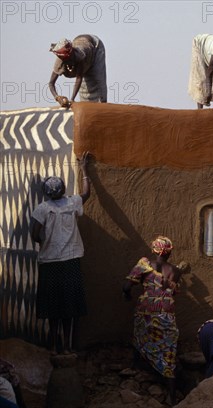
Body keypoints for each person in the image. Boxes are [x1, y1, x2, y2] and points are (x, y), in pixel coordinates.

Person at [30, 152, 92, 355]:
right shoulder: (72, 203)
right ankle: (67, 345)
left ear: (46, 193)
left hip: (50, 262)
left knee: (53, 307)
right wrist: (84, 169)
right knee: (69, 307)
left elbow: (34, 233)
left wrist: (45, 242)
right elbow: (86, 193)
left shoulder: (42, 209)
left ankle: (55, 345)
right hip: (71, 261)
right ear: (63, 190)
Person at [122, 236, 189, 406]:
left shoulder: (145, 264)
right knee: (168, 352)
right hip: (166, 313)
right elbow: (172, 292)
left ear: (154, 250)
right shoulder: (175, 271)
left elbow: (127, 286)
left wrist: (127, 295)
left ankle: (137, 374)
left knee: (140, 340)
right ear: (169, 252)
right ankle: (172, 396)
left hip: (146, 311)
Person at [48, 35, 107, 108]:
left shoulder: (79, 56)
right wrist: (57, 97)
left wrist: (72, 100)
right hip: (82, 45)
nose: (70, 60)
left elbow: (79, 78)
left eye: (70, 58)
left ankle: (103, 107)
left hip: (95, 46)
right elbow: (51, 83)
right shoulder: (59, 62)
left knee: (98, 80)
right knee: (85, 92)